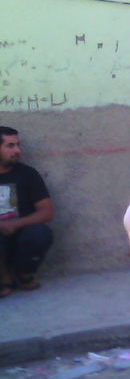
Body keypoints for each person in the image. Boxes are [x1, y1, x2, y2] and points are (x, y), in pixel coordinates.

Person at [0, 127, 54, 297]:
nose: (17, 150)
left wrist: (15, 223)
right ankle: (3, 277)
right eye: (10, 146)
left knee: (41, 233)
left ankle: (23, 273)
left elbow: (47, 212)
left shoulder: (27, 174)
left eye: (18, 145)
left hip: (20, 233)